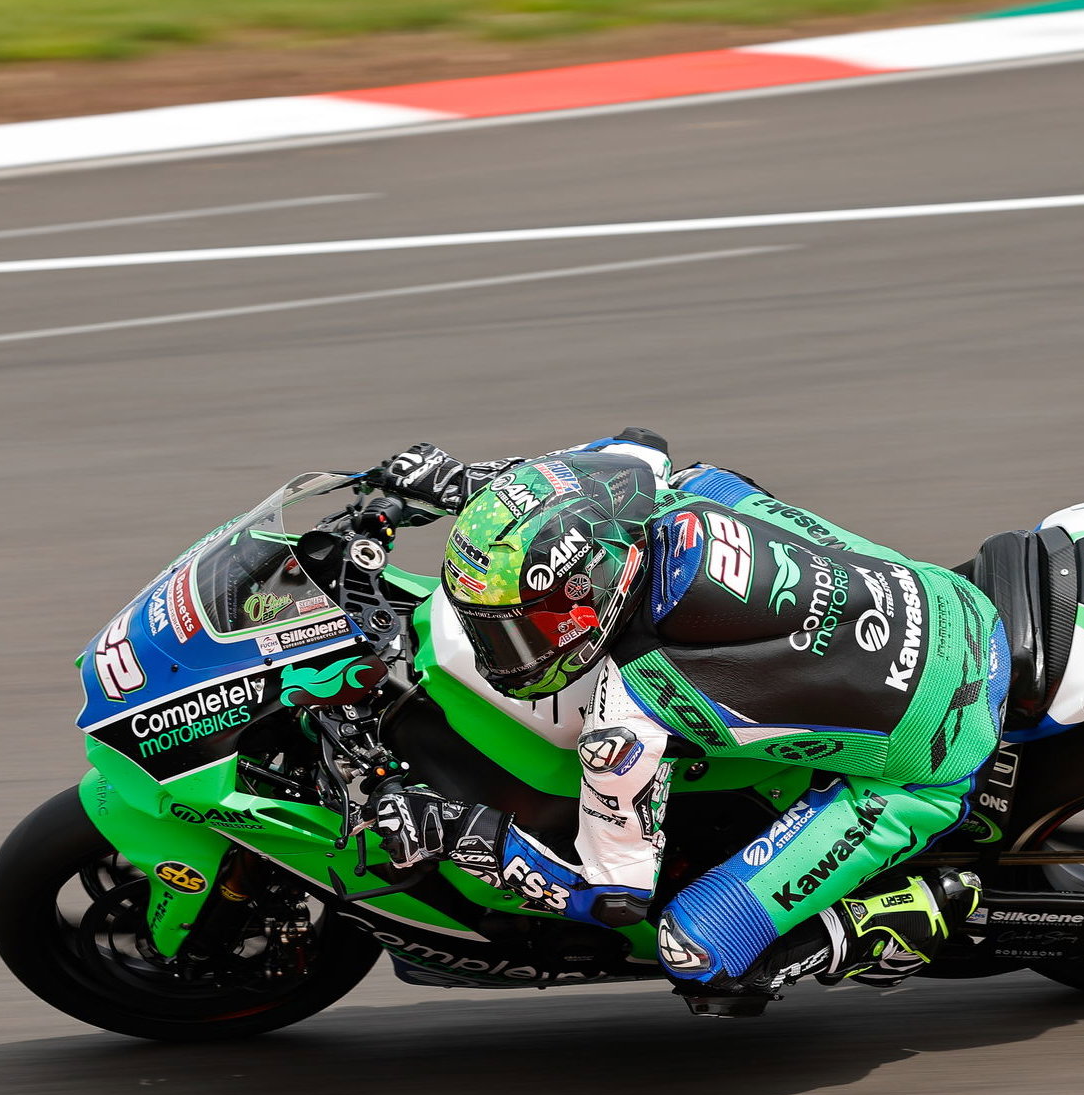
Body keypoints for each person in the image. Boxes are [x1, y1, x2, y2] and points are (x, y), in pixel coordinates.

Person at [365, 429, 1007, 1016]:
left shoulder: (630, 711)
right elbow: (622, 450)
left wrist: (466, 834)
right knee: (714, 484)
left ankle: (900, 916)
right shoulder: (650, 487)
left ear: (584, 600)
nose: (502, 655)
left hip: (936, 759)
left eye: (516, 633)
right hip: (957, 606)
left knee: (694, 949)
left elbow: (614, 898)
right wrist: (462, 484)